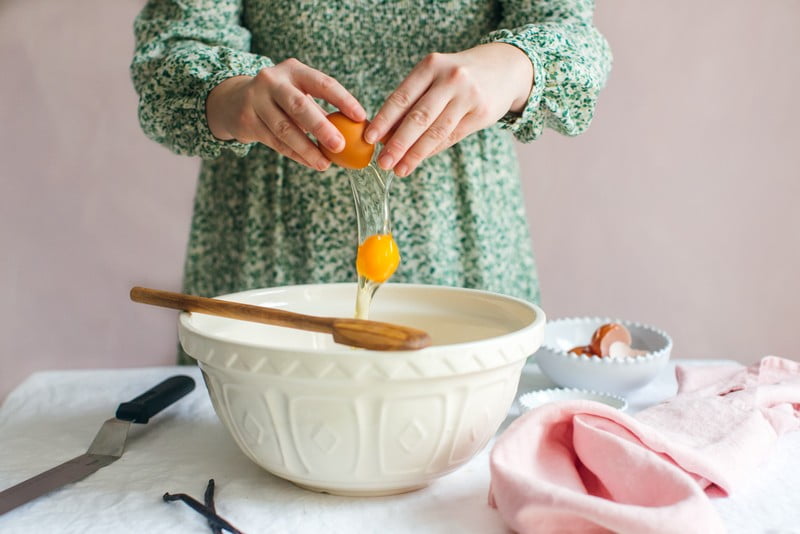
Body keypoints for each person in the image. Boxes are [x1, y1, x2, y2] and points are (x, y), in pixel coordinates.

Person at [132, 0, 611, 362]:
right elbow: (171, 51)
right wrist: (233, 94)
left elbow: (571, 32)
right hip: (269, 247)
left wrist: (514, 64)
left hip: (461, 242)